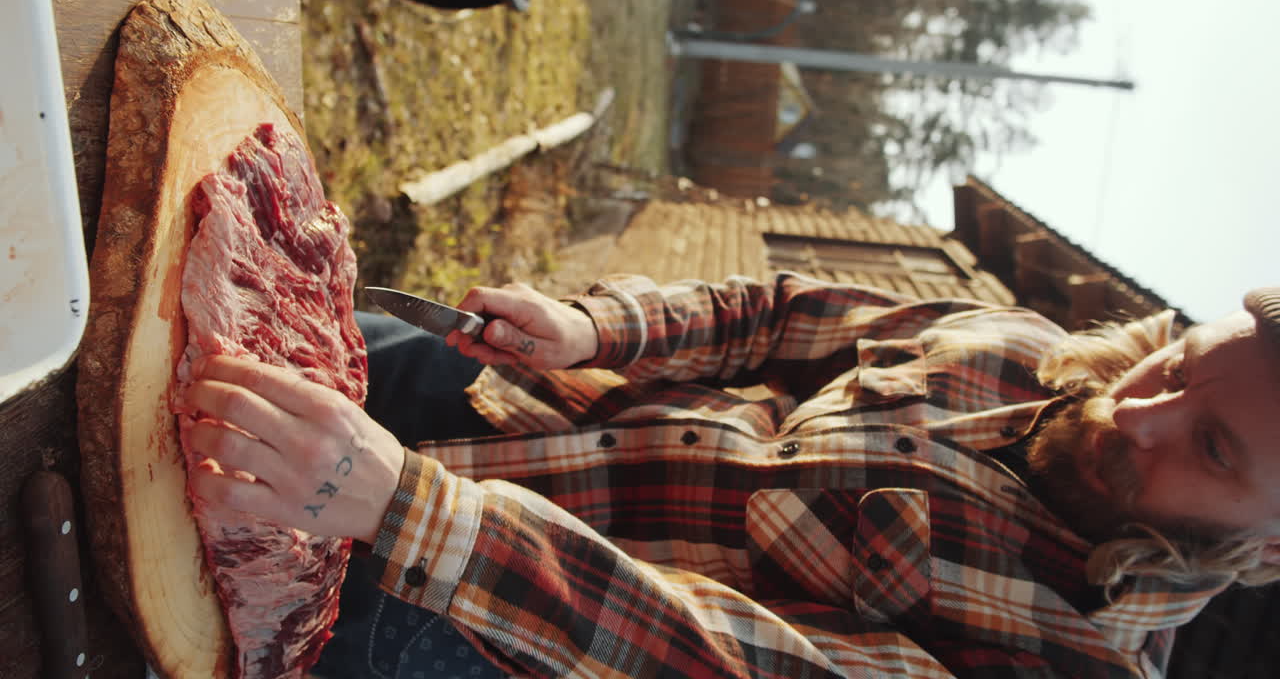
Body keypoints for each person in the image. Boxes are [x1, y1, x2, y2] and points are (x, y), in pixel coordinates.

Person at [180, 272, 1280, 678]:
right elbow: (778, 319)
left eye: (1211, 448)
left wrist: (421, 517)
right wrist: (593, 328)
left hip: (466, 623)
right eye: (1178, 367)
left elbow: (725, 663)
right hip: (499, 407)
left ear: (1271, 547)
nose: (1138, 416)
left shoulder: (1072, 657)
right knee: (168, 331)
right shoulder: (1013, 343)